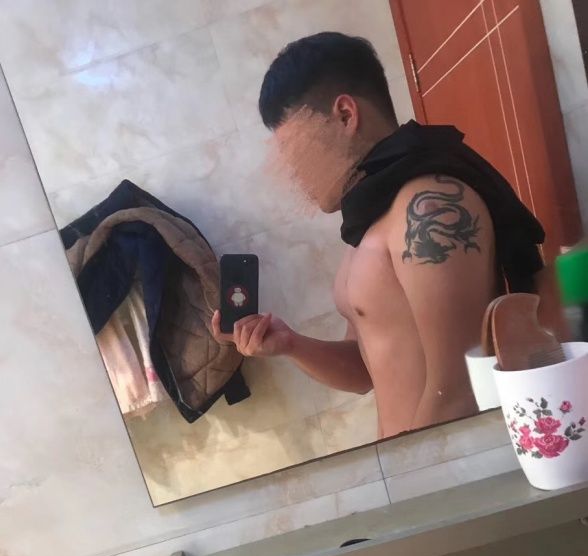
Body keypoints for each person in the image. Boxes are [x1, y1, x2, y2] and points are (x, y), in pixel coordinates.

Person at [211, 32, 556, 438]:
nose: (292, 172)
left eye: (293, 149)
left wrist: (413, 475)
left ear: (345, 115)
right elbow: (365, 372)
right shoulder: (371, 222)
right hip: (423, 462)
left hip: (454, 466)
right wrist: (291, 344)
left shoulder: (425, 206)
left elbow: (460, 390)